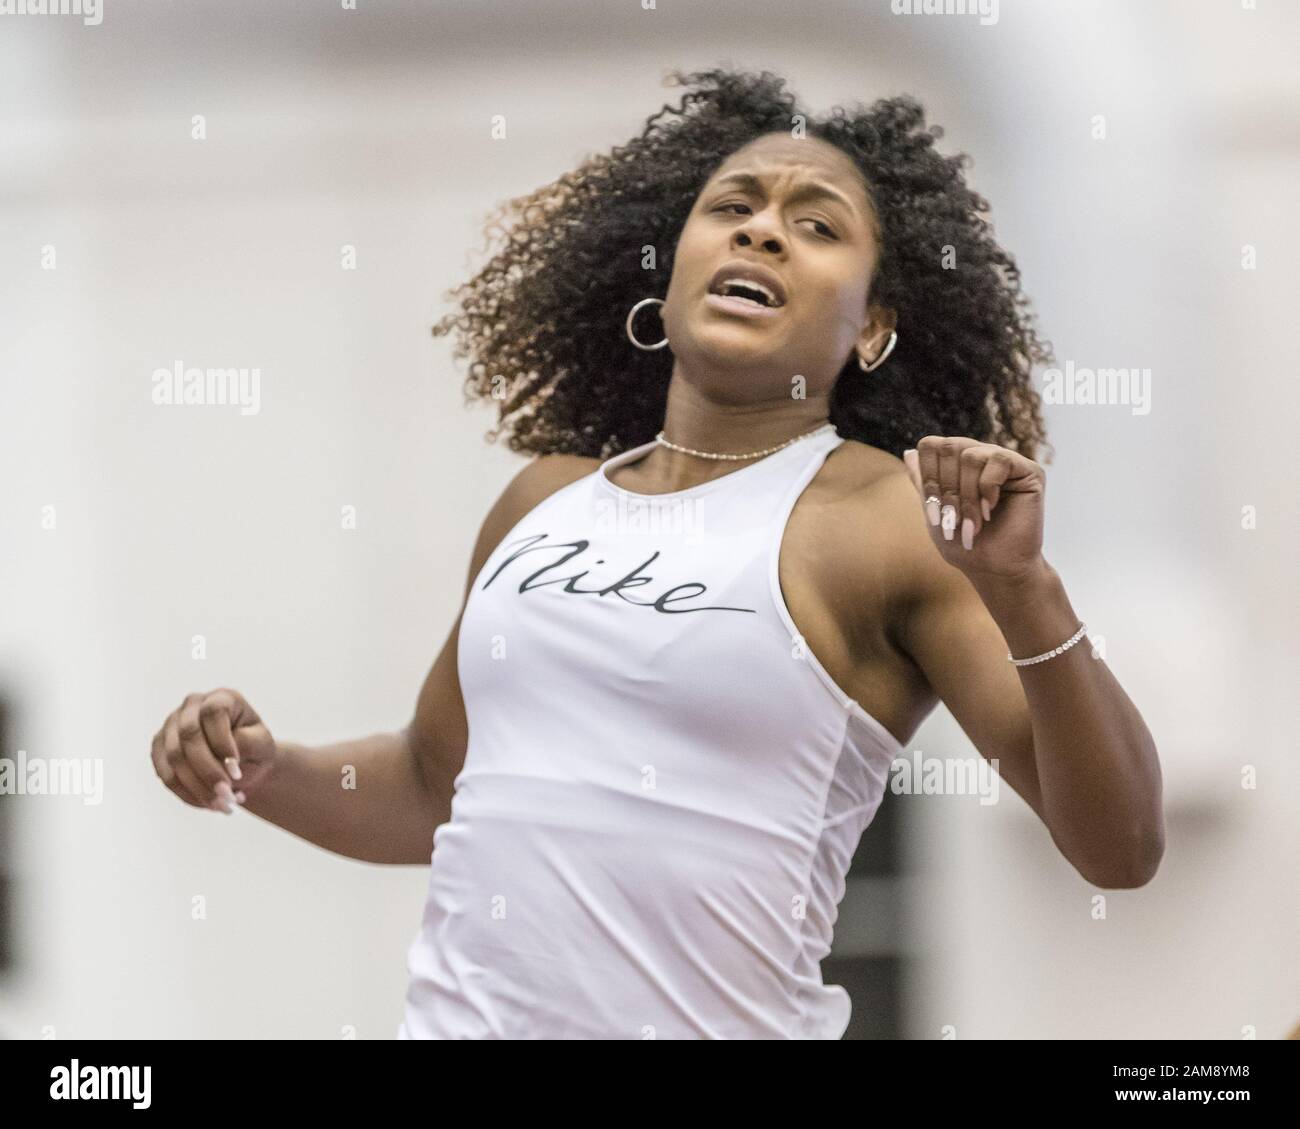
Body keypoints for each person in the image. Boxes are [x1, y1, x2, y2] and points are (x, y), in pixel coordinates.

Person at [149, 69, 1164, 1039]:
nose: (764, 228)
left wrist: (1024, 592)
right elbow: (430, 783)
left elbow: (1119, 848)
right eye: (734, 207)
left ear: (873, 330)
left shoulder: (882, 520)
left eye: (817, 226)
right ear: (667, 271)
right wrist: (267, 770)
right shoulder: (541, 500)